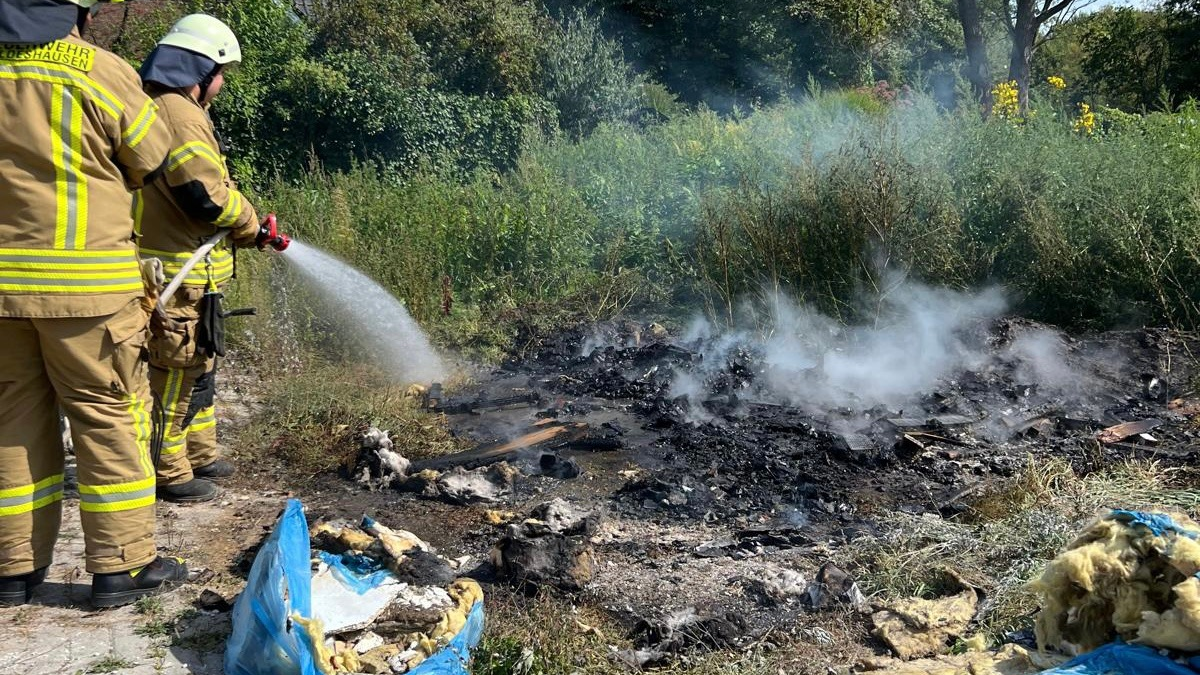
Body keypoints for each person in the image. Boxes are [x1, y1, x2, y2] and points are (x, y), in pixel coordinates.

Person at [0, 0, 188, 607]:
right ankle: (123, 565)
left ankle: (12, 569)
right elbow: (152, 157)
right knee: (106, 418)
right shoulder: (97, 70)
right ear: (77, 12)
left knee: (13, 425)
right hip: (88, 292)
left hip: (2, 294)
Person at [136, 14, 272, 503]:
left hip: (192, 271)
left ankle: (200, 451)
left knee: (201, 363)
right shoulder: (178, 113)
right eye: (220, 75)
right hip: (177, 272)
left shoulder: (163, 107)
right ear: (201, 71)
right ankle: (170, 471)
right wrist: (251, 223)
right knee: (177, 372)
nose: (220, 86)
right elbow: (204, 195)